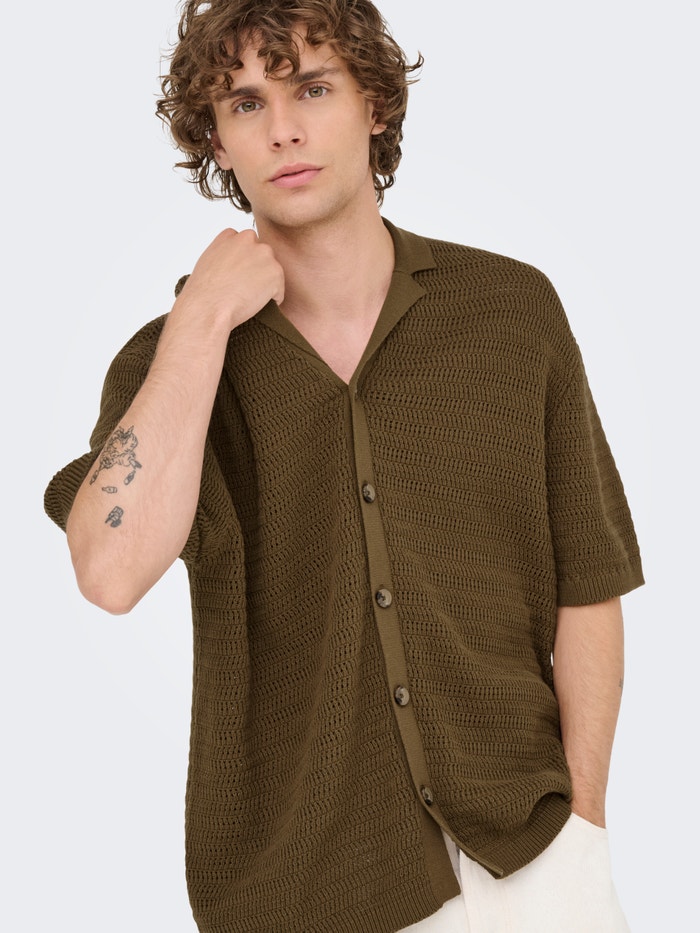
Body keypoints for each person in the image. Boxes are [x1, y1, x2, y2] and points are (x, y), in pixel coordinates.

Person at [44, 1, 644, 930]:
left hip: (533, 861)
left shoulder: (510, 313)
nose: (282, 129)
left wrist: (584, 824)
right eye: (246, 104)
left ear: (375, 104)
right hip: (305, 891)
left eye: (314, 89)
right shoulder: (174, 365)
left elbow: (588, 583)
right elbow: (109, 572)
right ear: (217, 140)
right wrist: (201, 323)